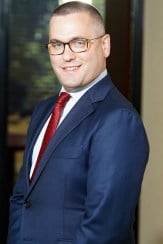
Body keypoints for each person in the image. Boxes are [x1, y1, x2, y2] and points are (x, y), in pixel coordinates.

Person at [7, 1, 149, 243]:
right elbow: (23, 200)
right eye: (57, 44)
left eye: (79, 42)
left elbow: (104, 230)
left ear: (105, 45)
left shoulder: (118, 120)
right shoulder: (44, 111)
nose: (67, 55)